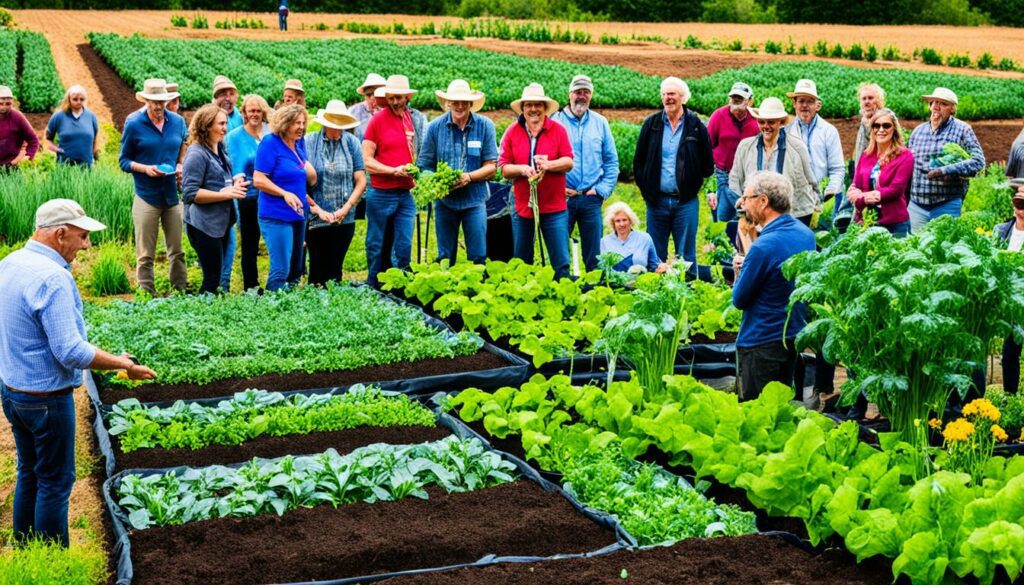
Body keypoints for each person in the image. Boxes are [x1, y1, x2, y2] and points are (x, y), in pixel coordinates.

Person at [0, 199, 156, 547]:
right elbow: (70, 351)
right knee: (55, 481)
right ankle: (54, 560)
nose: (87, 245)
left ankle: (27, 550)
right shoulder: (52, 278)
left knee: (29, 472)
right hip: (45, 400)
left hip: (13, 391)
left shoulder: (10, 263)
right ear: (59, 234)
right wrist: (123, 364)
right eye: (82, 236)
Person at [732, 171, 816, 401]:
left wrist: (741, 270)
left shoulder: (763, 247)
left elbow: (739, 299)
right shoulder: (805, 234)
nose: (743, 204)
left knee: (757, 416)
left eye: (747, 197)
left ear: (763, 201)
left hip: (761, 341)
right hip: (791, 336)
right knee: (780, 413)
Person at [633, 77, 713, 266]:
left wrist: (692, 184)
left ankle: (685, 290)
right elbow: (639, 162)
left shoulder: (696, 126)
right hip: (656, 201)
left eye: (672, 94)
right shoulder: (651, 124)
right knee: (655, 255)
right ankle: (658, 290)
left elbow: (707, 164)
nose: (668, 98)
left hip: (685, 201)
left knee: (686, 256)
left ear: (683, 98)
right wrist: (647, 191)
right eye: (664, 94)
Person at [118, 79, 188, 295]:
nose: (158, 107)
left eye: (161, 103)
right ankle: (146, 292)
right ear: (146, 100)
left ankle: (179, 290)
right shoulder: (134, 123)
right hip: (146, 195)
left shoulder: (177, 121)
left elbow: (183, 144)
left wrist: (180, 165)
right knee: (145, 252)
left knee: (176, 249)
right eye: (153, 102)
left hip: (171, 195)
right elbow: (124, 161)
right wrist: (145, 168)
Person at [499, 83, 574, 280]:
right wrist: (523, 169)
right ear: (522, 108)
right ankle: (526, 301)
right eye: (529, 105)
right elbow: (504, 168)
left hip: (554, 208)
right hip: (523, 207)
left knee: (561, 262)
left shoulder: (558, 130)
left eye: (538, 105)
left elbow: (568, 161)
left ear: (544, 108)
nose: (533, 109)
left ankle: (562, 301)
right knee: (522, 262)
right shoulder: (512, 132)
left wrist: (549, 165)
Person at [418, 79, 497, 265]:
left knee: (478, 256)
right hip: (445, 201)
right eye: (455, 101)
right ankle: (447, 290)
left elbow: (491, 166)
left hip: (474, 200)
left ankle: (475, 290)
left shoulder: (485, 126)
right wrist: (438, 182)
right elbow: (424, 165)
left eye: (464, 102)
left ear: (471, 103)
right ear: (448, 103)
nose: (460, 106)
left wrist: (469, 177)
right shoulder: (435, 128)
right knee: (445, 256)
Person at [361, 74, 427, 287]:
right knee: (376, 242)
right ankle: (373, 283)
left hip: (406, 193)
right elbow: (367, 160)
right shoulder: (377, 121)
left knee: (404, 243)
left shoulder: (413, 120)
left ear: (408, 97)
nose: (396, 102)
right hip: (381, 192)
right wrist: (392, 171)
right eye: (391, 98)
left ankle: (399, 286)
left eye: (399, 97)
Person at [550, 74, 619, 272]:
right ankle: (560, 286)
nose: (582, 96)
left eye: (586, 92)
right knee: (559, 250)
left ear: (591, 95)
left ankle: (593, 291)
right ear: (569, 94)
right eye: (577, 92)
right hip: (562, 198)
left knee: (594, 254)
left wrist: (601, 190)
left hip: (591, 198)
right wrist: (558, 188)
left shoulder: (600, 122)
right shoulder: (555, 121)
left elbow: (611, 161)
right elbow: (543, 159)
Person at [182, 104, 247, 294]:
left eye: (225, 123)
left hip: (221, 223)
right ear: (206, 125)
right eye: (220, 124)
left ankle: (212, 314)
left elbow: (216, 179)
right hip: (203, 225)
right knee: (211, 278)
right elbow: (190, 194)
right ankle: (202, 315)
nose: (225, 128)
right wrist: (225, 193)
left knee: (218, 276)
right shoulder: (196, 153)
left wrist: (233, 180)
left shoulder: (219, 148)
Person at [253, 104, 318, 291]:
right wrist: (284, 193)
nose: (301, 127)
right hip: (276, 215)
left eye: (303, 122)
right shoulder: (270, 143)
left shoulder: (299, 143)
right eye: (296, 123)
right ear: (284, 123)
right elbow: (259, 179)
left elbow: (296, 178)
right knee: (281, 269)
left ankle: (290, 309)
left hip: (298, 214)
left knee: (296, 270)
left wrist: (306, 200)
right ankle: (272, 309)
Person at [907, 87, 986, 233]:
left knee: (944, 249)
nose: (936, 106)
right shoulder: (918, 131)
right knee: (916, 250)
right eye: (933, 102)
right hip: (917, 205)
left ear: (952, 109)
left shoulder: (963, 130)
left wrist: (944, 170)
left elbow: (979, 162)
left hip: (946, 204)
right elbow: (907, 164)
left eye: (942, 104)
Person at [304, 101, 366, 285]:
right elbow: (300, 182)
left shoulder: (352, 143)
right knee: (317, 271)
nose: (339, 129)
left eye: (342, 124)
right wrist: (318, 210)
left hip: (344, 218)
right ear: (325, 122)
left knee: (335, 270)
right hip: (316, 218)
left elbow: (361, 180)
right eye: (335, 124)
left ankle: (334, 309)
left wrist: (346, 209)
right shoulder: (309, 142)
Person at [730, 97, 819, 223]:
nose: (766, 126)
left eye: (771, 122)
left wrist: (815, 203)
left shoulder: (797, 147)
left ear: (780, 122)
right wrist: (743, 200)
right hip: (757, 215)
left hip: (792, 215)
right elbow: (735, 179)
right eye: (761, 122)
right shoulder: (745, 147)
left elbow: (810, 179)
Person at [225, 94, 271, 291]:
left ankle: (278, 283)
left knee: (275, 241)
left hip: (271, 195)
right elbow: (234, 167)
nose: (255, 114)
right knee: (250, 244)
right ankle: (251, 286)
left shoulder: (270, 134)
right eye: (251, 111)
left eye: (258, 111)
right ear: (243, 113)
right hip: (249, 198)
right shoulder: (234, 137)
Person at [784, 79, 843, 224]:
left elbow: (838, 169)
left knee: (823, 240)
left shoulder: (829, 131)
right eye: (801, 101)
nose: (804, 105)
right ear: (794, 104)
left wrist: (830, 191)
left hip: (824, 200)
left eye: (809, 101)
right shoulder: (786, 132)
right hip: (796, 201)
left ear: (817, 105)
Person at [846, 108, 914, 236]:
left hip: (895, 225)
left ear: (894, 129)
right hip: (867, 223)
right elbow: (855, 185)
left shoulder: (905, 155)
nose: (881, 130)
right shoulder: (866, 155)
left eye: (886, 125)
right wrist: (859, 194)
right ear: (872, 130)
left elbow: (895, 190)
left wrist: (862, 198)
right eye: (876, 126)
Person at [834, 83, 886, 227]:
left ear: (879, 101)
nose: (867, 101)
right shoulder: (865, 120)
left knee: (873, 221)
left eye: (871, 98)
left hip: (876, 180)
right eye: (864, 99)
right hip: (861, 177)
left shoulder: (883, 120)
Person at [706, 82, 759, 222]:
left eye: (740, 98)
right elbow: (707, 147)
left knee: (742, 211)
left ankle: (734, 238)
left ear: (750, 101)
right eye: (733, 97)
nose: (735, 101)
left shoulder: (756, 120)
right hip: (722, 173)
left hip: (746, 174)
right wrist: (709, 186)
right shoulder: (718, 116)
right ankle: (721, 237)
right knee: (723, 208)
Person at [996, 186, 1024, 394]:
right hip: (1010, 298)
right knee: (1010, 351)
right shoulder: (1001, 230)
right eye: (1018, 200)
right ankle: (1010, 396)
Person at [599, 201, 667, 273]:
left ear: (630, 221)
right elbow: (603, 269)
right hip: (614, 283)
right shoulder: (604, 242)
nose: (621, 224)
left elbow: (654, 265)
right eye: (618, 221)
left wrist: (661, 268)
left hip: (639, 282)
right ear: (613, 223)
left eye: (624, 220)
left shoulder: (645, 238)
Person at [44, 85, 100, 167]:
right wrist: (57, 149)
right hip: (64, 166)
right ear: (69, 100)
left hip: (86, 167)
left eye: (82, 99)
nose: (79, 102)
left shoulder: (91, 116)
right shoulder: (59, 116)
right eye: (75, 99)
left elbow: (95, 138)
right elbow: (47, 139)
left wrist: (95, 155)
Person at [0, 85, 39, 168]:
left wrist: (25, 158)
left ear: (12, 102)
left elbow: (33, 140)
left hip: (11, 167)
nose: (4, 107)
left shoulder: (17, 117)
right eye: (0, 103)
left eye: (8, 104)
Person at [351, 73, 386, 140]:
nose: (373, 97)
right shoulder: (354, 111)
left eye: (376, 93)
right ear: (364, 95)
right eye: (369, 94)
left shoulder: (390, 111)